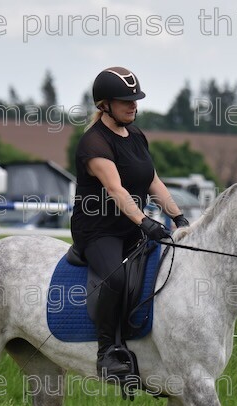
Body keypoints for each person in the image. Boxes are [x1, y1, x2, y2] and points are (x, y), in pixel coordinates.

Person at [71, 66, 190, 379]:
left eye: (135, 99)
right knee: (116, 278)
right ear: (104, 105)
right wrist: (145, 221)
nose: (133, 104)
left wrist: (178, 216)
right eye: (126, 100)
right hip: (99, 231)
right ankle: (107, 351)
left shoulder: (136, 135)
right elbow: (115, 190)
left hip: (131, 227)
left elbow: (152, 181)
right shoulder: (94, 144)